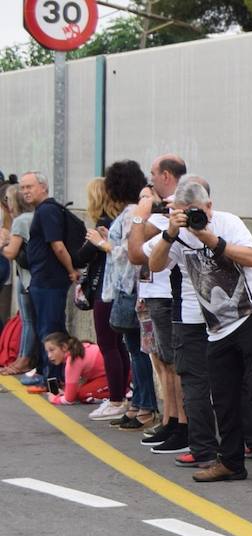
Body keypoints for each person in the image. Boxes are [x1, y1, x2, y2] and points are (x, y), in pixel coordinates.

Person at [145, 176, 252, 487]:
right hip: (217, 327)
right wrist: (170, 233)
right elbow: (153, 265)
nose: (194, 218)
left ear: (209, 206)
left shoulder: (227, 223)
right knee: (222, 397)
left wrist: (211, 239)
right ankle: (230, 462)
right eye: (185, 212)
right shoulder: (176, 234)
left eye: (198, 211)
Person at [130, 156, 190, 454]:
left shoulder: (170, 209)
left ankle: (183, 425)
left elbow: (135, 252)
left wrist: (140, 214)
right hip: (154, 293)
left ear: (166, 175)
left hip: (168, 295)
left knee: (174, 364)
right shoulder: (163, 210)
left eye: (153, 174)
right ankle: (171, 420)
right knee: (162, 362)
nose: (148, 180)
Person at [102, 160, 159, 430]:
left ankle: (144, 405)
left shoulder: (132, 213)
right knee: (134, 348)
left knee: (137, 349)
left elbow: (128, 252)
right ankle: (139, 403)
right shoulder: (133, 211)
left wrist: (104, 244)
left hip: (131, 287)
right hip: (132, 286)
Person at [74, 177, 129, 422]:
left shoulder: (103, 224)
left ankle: (116, 398)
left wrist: (95, 241)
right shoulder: (119, 221)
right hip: (118, 289)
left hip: (105, 290)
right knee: (120, 345)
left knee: (108, 345)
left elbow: (81, 257)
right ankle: (122, 394)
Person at [17, 171, 76, 389]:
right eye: (22, 188)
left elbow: (57, 245)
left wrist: (71, 270)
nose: (25, 192)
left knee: (50, 330)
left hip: (50, 281)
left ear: (43, 187)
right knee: (46, 327)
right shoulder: (42, 211)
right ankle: (48, 373)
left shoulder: (48, 211)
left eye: (29, 187)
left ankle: (52, 378)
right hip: (43, 280)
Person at [0, 183, 36, 376]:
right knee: (28, 320)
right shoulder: (33, 217)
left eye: (9, 200)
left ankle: (23, 359)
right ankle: (23, 358)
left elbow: (11, 252)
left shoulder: (21, 220)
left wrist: (3, 243)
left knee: (28, 320)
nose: (7, 204)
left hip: (27, 276)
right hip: (30, 275)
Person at [40, 331, 108, 405]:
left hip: (110, 376)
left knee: (83, 395)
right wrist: (67, 393)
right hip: (106, 375)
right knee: (78, 391)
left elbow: (69, 400)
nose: (49, 355)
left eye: (52, 350)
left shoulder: (72, 360)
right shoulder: (77, 349)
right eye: (47, 352)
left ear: (64, 347)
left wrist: (55, 399)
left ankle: (117, 395)